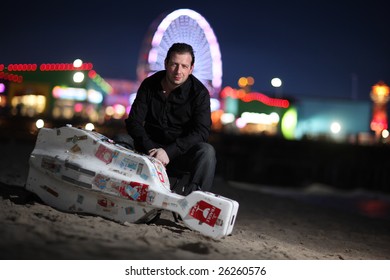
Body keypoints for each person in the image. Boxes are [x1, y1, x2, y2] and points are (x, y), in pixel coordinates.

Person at [122, 42, 216, 195]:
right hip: (147, 151)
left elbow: (202, 132)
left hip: (178, 156)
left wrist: (168, 152)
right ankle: (117, 191)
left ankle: (195, 204)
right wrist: (151, 149)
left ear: (191, 68)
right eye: (174, 64)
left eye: (184, 66)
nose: (178, 71)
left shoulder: (199, 94)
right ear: (165, 64)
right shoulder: (149, 84)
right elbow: (134, 121)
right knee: (121, 140)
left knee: (207, 152)